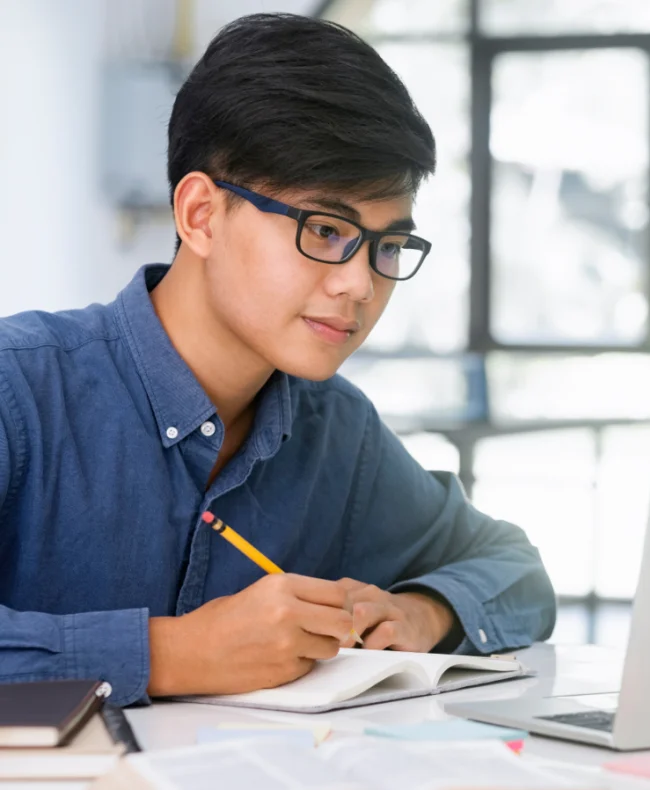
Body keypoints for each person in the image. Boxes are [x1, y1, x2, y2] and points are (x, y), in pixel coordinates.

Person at [0, 13, 555, 707]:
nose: (360, 284)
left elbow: (513, 568)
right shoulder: (18, 389)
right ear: (201, 215)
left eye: (388, 246)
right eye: (325, 230)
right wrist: (173, 653)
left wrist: (424, 612)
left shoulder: (335, 432)